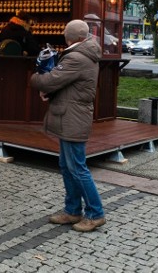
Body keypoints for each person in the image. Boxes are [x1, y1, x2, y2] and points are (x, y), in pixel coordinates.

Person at [30, 19, 106, 232]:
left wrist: (36, 77)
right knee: (67, 165)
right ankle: (72, 210)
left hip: (73, 117)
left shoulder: (76, 58)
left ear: (69, 37)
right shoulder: (83, 54)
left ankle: (95, 213)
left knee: (77, 167)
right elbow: (65, 84)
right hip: (71, 115)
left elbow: (50, 80)